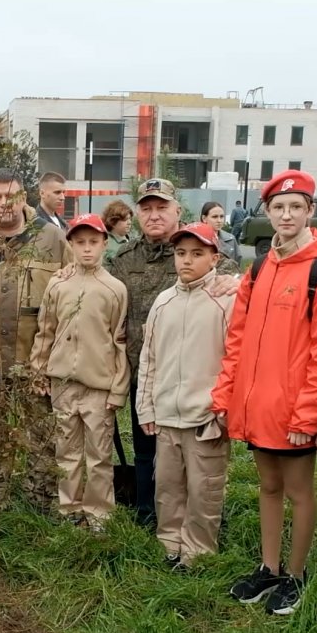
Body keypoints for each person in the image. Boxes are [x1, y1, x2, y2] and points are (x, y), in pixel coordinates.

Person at [218, 171, 317, 616]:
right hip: (257, 406)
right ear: (268, 212)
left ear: (310, 211)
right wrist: (226, 396)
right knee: (267, 486)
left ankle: (296, 573)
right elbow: (237, 337)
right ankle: (269, 567)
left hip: (293, 409)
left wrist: (308, 415)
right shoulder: (260, 265)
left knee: (298, 490)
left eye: (296, 207)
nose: (287, 215)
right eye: (279, 207)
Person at [105, 178, 238, 528]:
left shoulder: (201, 250)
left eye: (162, 207)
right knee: (148, 449)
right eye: (146, 209)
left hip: (195, 377)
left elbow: (231, 281)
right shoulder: (123, 259)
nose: (153, 215)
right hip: (145, 374)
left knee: (199, 454)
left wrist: (237, 281)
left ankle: (203, 519)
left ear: (177, 210)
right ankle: (151, 513)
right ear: (136, 214)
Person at [0, 168, 70, 512]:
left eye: (11, 196)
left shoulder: (52, 238)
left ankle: (43, 503)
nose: (4, 204)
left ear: (24, 197)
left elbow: (77, 284)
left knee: (42, 440)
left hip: (35, 363)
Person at [137, 222, 236, 567]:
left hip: (204, 416)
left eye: (197, 254)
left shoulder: (226, 300)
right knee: (167, 485)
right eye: (181, 254)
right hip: (166, 413)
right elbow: (148, 357)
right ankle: (169, 543)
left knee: (204, 488)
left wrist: (223, 408)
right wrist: (146, 406)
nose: (187, 261)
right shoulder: (163, 302)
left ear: (214, 258)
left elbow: (235, 358)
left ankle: (197, 552)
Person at [30, 214, 129, 528]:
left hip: (98, 386)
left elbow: (120, 341)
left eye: (94, 242)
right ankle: (69, 508)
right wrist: (39, 369)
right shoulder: (58, 284)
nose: (87, 249)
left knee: (98, 455)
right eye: (80, 243)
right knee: (67, 451)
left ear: (104, 243)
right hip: (63, 382)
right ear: (70, 245)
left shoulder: (114, 289)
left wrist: (118, 388)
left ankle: (98, 512)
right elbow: (45, 329)